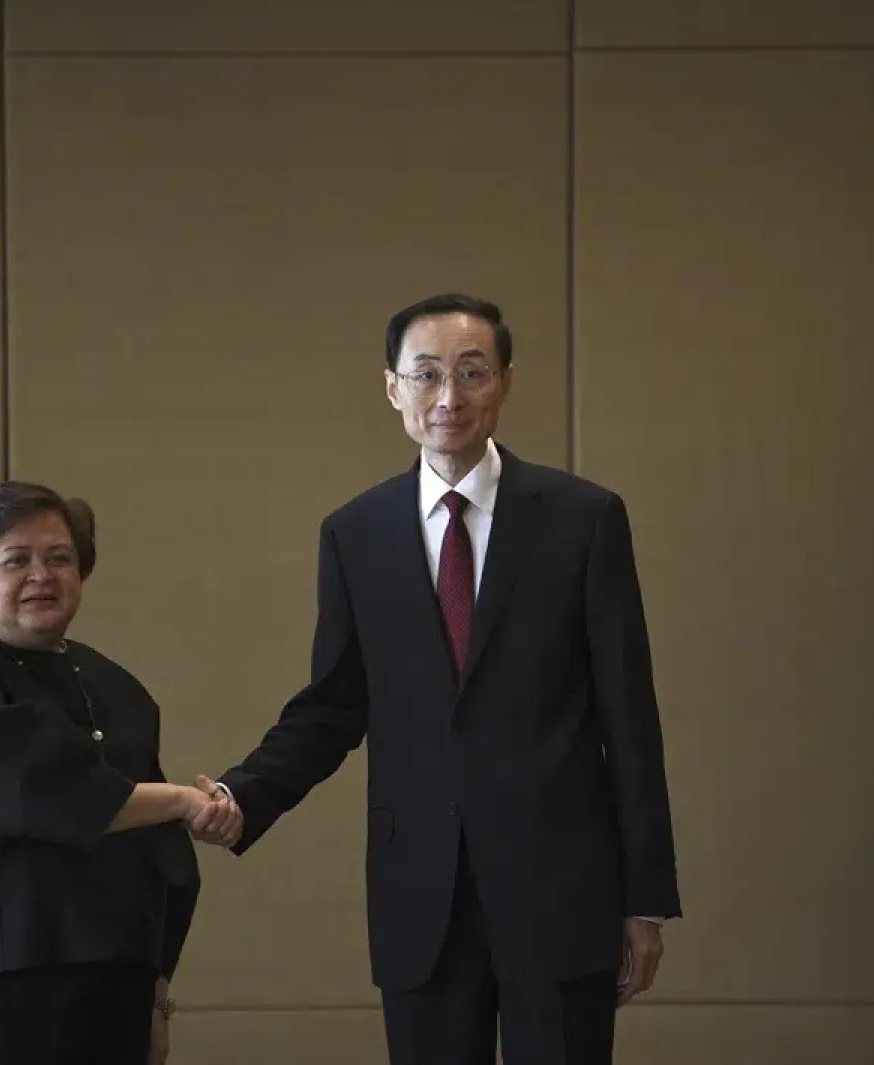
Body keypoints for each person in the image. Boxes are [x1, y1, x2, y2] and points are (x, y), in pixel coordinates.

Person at [193, 294, 681, 1065]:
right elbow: (332, 705)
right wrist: (241, 794)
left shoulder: (582, 519)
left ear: (505, 382)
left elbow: (630, 715)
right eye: (426, 374)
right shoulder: (355, 534)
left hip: (561, 888)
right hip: (421, 892)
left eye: (471, 371)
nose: (448, 396)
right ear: (393, 388)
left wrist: (645, 896)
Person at [0, 481, 234, 1065]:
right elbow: (50, 792)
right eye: (15, 560)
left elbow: (162, 860)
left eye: (60, 558)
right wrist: (182, 800)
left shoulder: (118, 688)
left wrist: (158, 998)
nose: (42, 575)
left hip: (116, 981)